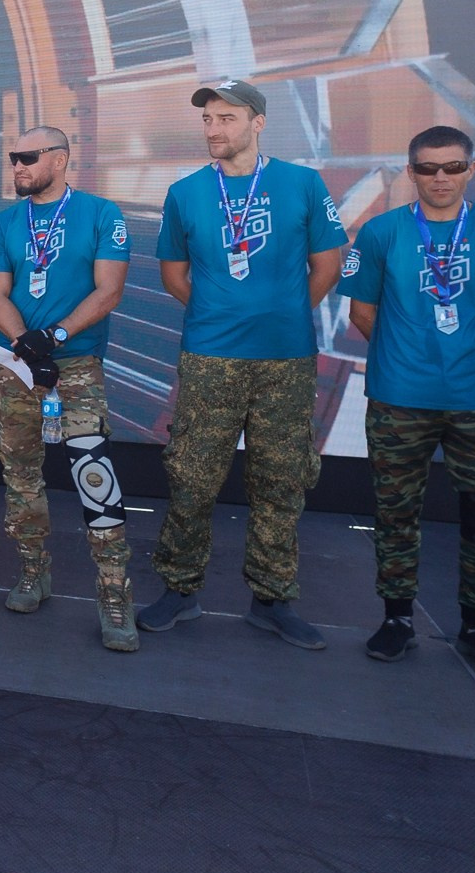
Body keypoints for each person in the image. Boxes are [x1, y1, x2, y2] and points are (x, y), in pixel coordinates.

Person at [145, 80, 348, 649]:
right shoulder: (185, 192)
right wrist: (222, 312)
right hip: (211, 356)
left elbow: (328, 265)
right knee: (191, 475)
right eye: (207, 119)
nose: (214, 129)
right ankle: (179, 590)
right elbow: (173, 274)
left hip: (286, 358)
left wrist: (281, 312)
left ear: (257, 123)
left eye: (226, 118)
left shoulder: (302, 183)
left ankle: (272, 598)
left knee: (281, 479)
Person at [342, 127, 475, 676]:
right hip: (398, 399)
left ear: (470, 170)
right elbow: (362, 313)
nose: (440, 178)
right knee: (395, 514)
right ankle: (396, 620)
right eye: (428, 168)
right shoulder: (381, 231)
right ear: (410, 172)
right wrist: (404, 358)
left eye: (452, 167)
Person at [0, 126, 134, 639]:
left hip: (78, 365)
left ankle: (114, 594)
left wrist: (56, 336)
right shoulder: (6, 223)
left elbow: (109, 290)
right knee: (21, 476)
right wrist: (27, 342)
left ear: (61, 159)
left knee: (95, 477)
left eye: (27, 157)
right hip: (19, 366)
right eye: (13, 158)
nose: (18, 166)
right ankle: (33, 570)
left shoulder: (101, 214)